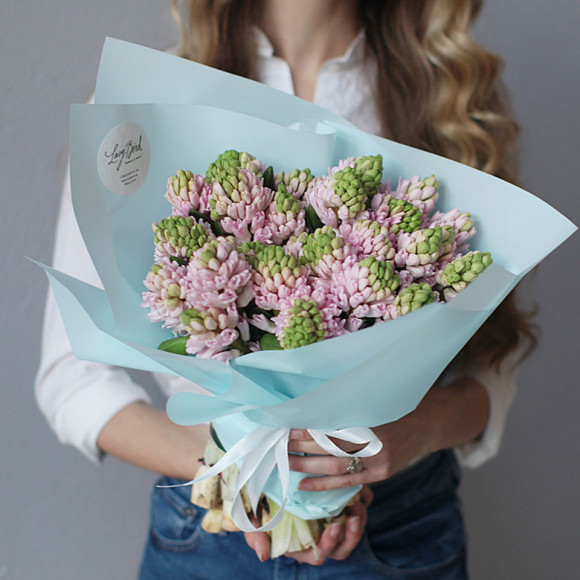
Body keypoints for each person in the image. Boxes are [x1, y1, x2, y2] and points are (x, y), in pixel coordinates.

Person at [36, 0, 536, 578]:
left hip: (402, 522)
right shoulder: (142, 104)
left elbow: (491, 365)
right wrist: (239, 467)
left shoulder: (453, 102)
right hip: (213, 521)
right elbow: (71, 379)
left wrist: (411, 433)